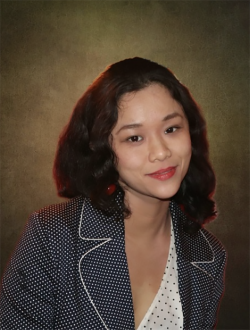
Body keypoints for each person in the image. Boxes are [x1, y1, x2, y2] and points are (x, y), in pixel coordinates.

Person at [0, 57, 226, 330]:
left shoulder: (209, 254)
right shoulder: (52, 235)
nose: (161, 152)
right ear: (103, 149)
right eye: (134, 138)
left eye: (171, 129)